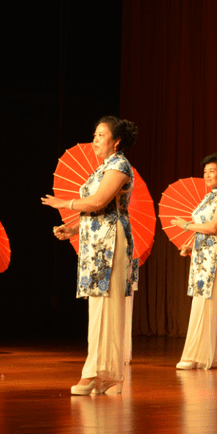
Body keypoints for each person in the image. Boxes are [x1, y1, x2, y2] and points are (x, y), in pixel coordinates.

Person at [42, 116, 138, 395]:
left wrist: (65, 203)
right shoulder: (100, 170)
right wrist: (72, 229)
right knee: (98, 307)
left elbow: (98, 202)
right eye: (94, 134)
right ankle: (104, 374)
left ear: (116, 141)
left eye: (100, 135)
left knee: (107, 307)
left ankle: (99, 373)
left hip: (111, 240)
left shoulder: (119, 166)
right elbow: (94, 211)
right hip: (95, 240)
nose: (95, 139)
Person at [171, 153, 217, 370]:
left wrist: (185, 225)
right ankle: (215, 355)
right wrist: (191, 246)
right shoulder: (208, 197)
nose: (207, 175)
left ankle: (196, 356)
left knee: (205, 303)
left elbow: (213, 228)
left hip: (214, 255)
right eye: (205, 171)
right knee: (203, 302)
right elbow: (204, 231)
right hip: (201, 254)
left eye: (212, 171)